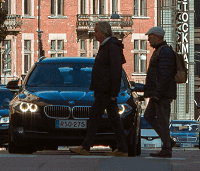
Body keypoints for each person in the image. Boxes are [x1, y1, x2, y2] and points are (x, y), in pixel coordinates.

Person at [69, 21, 129, 157]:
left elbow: (116, 71)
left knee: (94, 116)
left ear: (103, 33)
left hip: (106, 90)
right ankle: (122, 148)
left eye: (96, 31)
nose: (94, 34)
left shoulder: (111, 47)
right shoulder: (107, 46)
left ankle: (86, 146)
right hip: (104, 89)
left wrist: (114, 92)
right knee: (113, 119)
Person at [142, 26, 177, 158]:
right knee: (149, 116)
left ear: (157, 37)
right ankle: (168, 141)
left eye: (150, 37)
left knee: (162, 120)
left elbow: (165, 74)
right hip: (159, 92)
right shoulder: (160, 51)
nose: (149, 40)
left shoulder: (164, 51)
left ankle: (167, 147)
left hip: (162, 94)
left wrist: (157, 93)